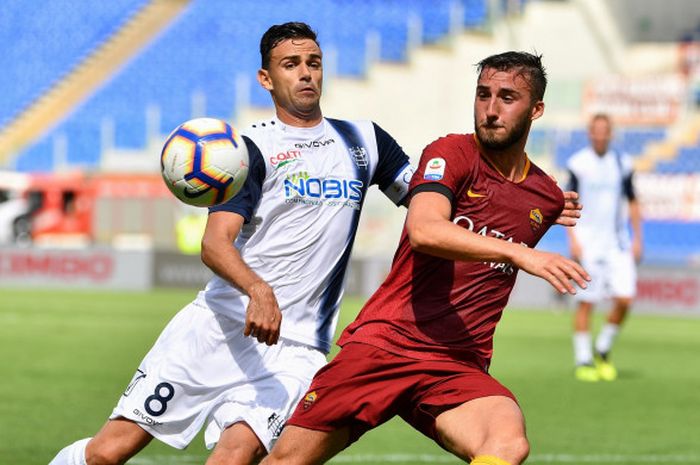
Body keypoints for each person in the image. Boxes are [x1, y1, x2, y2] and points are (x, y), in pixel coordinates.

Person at [49, 22, 415, 465]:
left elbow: (426, 204)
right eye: (291, 64)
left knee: (234, 457)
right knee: (109, 452)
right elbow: (215, 244)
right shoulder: (249, 149)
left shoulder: (365, 142)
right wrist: (259, 291)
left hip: (296, 348)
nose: (305, 73)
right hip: (216, 327)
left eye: (313, 63)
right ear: (266, 79)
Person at [260, 51, 590, 465]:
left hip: (454, 365)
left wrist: (553, 208)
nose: (490, 110)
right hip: (386, 345)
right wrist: (520, 253)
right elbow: (424, 230)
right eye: (483, 95)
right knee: (287, 461)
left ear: (536, 109)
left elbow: (520, 205)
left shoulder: (544, 196)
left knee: (507, 442)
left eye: (507, 98)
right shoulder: (451, 153)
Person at [565, 113, 643, 382]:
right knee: (587, 302)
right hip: (588, 243)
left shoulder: (622, 163)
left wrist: (637, 238)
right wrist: (572, 238)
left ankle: (603, 348)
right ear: (590, 133)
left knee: (626, 298)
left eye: (604, 130)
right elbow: (570, 203)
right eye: (596, 130)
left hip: (617, 243)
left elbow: (633, 201)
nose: (600, 135)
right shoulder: (578, 164)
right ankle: (583, 359)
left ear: (610, 133)